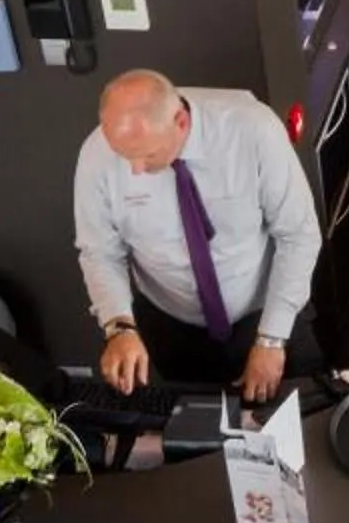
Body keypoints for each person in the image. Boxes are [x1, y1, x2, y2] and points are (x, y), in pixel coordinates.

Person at [75, 70, 322, 403]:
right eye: (123, 155)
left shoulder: (252, 130)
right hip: (173, 324)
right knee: (201, 433)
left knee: (305, 415)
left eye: (147, 155)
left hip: (264, 311)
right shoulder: (97, 154)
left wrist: (271, 340)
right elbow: (100, 252)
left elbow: (299, 236)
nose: (134, 170)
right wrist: (119, 326)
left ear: (179, 122)